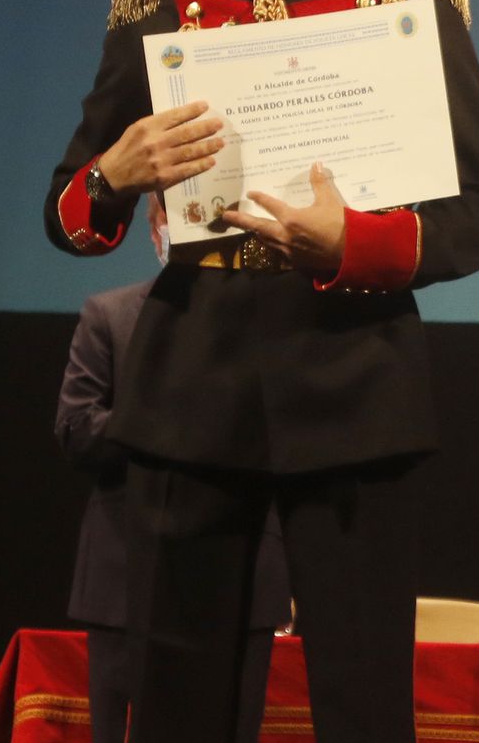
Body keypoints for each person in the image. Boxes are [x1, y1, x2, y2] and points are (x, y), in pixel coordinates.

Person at [43, 0, 479, 743]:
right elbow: (70, 216)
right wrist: (115, 174)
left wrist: (355, 242)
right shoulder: (158, 2)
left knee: (361, 699)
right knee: (177, 701)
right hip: (191, 382)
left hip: (353, 374)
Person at [55, 198, 290, 743]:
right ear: (156, 226)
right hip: (125, 574)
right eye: (183, 213)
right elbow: (75, 428)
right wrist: (168, 422)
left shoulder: (276, 324)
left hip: (248, 575)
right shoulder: (110, 314)